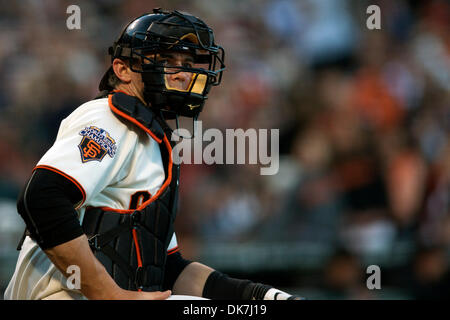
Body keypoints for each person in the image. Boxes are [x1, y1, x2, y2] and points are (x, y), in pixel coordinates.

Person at [4, 8, 302, 300]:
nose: (184, 72)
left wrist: (261, 297)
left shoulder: (154, 142)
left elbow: (167, 271)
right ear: (122, 70)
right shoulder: (110, 118)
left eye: (190, 62)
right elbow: (41, 198)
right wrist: (109, 294)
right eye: (167, 60)